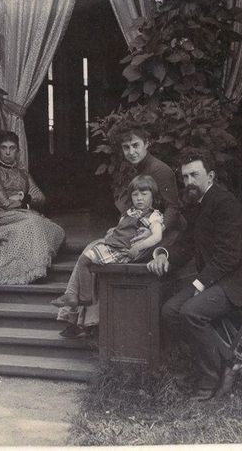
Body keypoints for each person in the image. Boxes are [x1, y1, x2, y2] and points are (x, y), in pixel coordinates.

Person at [147, 148, 242, 400]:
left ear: (211, 176)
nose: (189, 182)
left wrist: (199, 284)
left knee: (191, 312)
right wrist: (163, 254)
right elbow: (186, 244)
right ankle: (219, 362)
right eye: (185, 177)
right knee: (170, 311)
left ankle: (210, 377)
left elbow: (229, 256)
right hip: (220, 281)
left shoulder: (225, 203)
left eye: (195, 175)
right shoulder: (197, 204)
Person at [55, 128, 183, 337]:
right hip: (137, 232)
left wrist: (152, 230)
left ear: (147, 144)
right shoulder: (137, 168)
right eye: (126, 147)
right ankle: (83, 320)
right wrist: (118, 228)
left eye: (136, 145)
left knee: (95, 254)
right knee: (92, 251)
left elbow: (173, 209)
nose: (131, 152)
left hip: (161, 237)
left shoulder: (160, 170)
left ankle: (82, 320)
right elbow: (135, 208)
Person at [50, 175, 166, 336]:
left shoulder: (153, 216)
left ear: (153, 195)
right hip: (116, 246)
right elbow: (122, 229)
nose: (139, 198)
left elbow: (158, 234)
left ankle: (79, 310)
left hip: (126, 252)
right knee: (87, 257)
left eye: (144, 194)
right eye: (135, 195)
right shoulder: (130, 213)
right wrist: (113, 232)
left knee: (87, 259)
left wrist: (139, 244)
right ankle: (78, 312)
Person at [0, 131, 65, 285]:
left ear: (18, 151)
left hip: (23, 212)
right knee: (32, 223)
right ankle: (29, 270)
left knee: (56, 230)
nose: (8, 152)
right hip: (0, 215)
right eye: (4, 148)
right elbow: (5, 203)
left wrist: (23, 199)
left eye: (12, 148)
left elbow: (40, 197)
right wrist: (25, 200)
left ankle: (34, 262)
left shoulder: (23, 174)